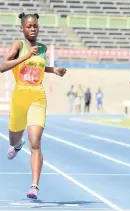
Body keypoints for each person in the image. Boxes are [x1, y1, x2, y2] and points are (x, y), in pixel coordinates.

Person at [0, 13, 67, 199]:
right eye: (29, 26)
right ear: (22, 28)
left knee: (35, 142)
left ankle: (34, 186)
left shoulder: (43, 48)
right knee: (14, 138)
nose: (32, 29)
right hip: (19, 96)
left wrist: (55, 70)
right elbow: (3, 66)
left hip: (37, 96)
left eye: (35, 26)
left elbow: (39, 67)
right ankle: (17, 145)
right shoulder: (18, 45)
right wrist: (26, 55)